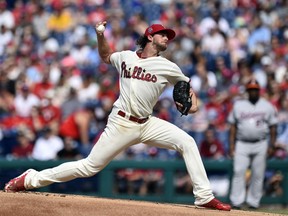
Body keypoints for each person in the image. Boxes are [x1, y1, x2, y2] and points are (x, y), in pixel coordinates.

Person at [4, 21, 231, 211]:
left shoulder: (168, 66)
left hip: (147, 123)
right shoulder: (125, 57)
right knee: (88, 167)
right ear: (150, 36)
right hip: (121, 122)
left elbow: (186, 88)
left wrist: (193, 106)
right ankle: (31, 179)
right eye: (163, 34)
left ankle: (203, 196)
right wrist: (100, 34)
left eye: (168, 36)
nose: (167, 38)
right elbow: (105, 56)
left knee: (187, 142)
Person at [228, 79, 278, 209]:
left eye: (255, 89)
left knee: (258, 174)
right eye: (251, 89)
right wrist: (232, 145)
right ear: (247, 91)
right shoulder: (239, 105)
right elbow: (232, 126)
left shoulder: (267, 106)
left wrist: (272, 145)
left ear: (259, 90)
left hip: (260, 143)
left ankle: (253, 202)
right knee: (239, 171)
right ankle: (236, 202)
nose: (253, 91)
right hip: (242, 143)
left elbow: (273, 127)